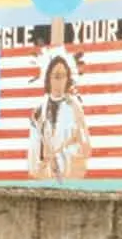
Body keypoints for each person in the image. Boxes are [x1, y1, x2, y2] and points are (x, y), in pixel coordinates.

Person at [28, 52, 90, 180]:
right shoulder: (39, 110)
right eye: (56, 76)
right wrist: (43, 163)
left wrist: (61, 157)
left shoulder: (75, 107)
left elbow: (84, 145)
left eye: (63, 76)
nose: (60, 81)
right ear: (48, 78)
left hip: (69, 175)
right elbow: (34, 148)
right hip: (44, 175)